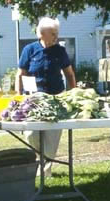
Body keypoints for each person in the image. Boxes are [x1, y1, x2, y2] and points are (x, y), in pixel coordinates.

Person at [15, 17, 76, 175]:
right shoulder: (30, 49)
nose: (56, 36)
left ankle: (45, 171)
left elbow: (69, 74)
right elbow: (20, 74)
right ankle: (39, 161)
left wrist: (73, 93)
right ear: (42, 34)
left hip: (55, 97)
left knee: (52, 136)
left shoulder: (60, 51)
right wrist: (18, 95)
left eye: (57, 33)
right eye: (53, 33)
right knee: (31, 133)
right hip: (33, 99)